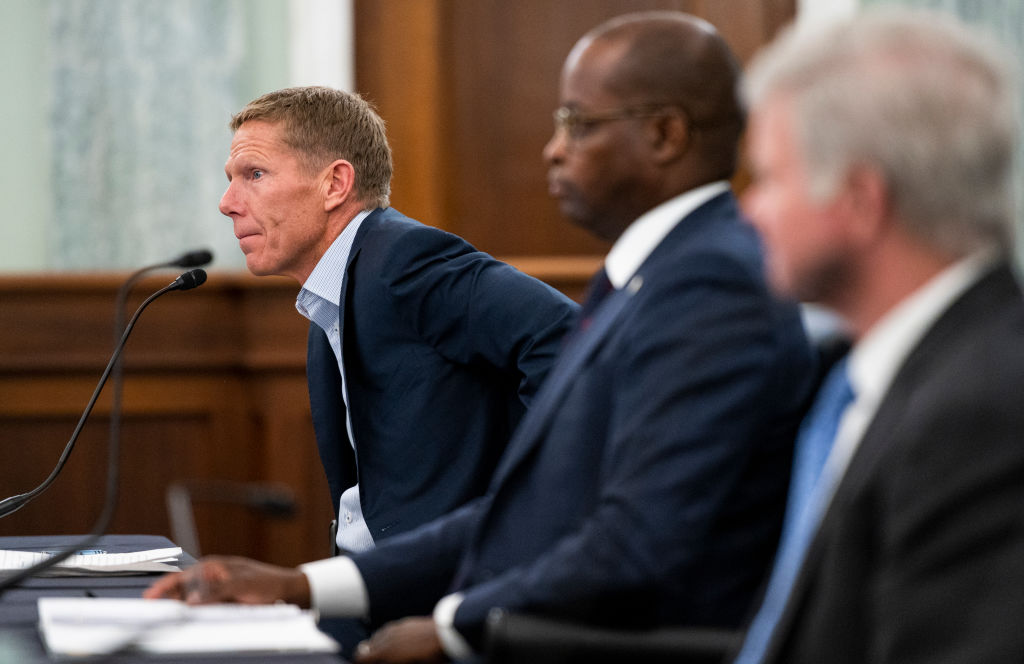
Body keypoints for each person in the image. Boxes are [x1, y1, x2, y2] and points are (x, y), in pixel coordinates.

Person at [147, 12, 815, 662]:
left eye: (576, 124)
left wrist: (454, 625)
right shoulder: (648, 276)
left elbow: (636, 540)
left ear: (667, 135)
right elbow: (548, 500)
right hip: (457, 595)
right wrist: (301, 586)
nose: (553, 148)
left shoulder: (710, 285)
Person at [215, 86, 578, 649]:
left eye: (253, 174)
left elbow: (566, 337)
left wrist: (527, 492)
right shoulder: (333, 297)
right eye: (231, 178)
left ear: (334, 183)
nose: (228, 201)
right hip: (371, 592)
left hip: (440, 600)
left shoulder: (405, 260)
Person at [732, 9, 1024, 663]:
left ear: (861, 200)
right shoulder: (871, 378)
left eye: (772, 178)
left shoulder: (981, 415)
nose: (751, 211)